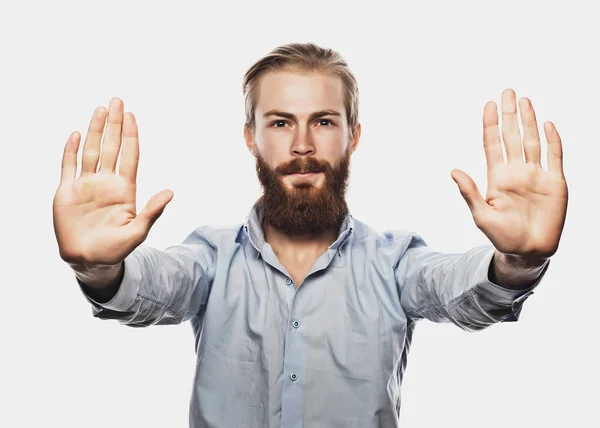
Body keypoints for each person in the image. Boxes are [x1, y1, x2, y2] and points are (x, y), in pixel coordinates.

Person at [53, 43, 568, 427]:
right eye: (279, 123)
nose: (302, 145)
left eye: (323, 121)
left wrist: (518, 262)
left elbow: (462, 292)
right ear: (251, 137)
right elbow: (150, 288)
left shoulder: (394, 262)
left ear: (353, 136)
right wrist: (97, 268)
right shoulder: (209, 258)